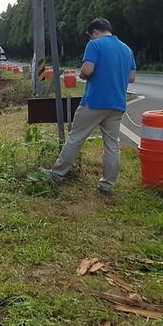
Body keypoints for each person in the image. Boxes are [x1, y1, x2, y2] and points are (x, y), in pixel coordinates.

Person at [42, 18, 136, 195]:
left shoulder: (95, 45)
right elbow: (131, 78)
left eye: (90, 36)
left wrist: (83, 75)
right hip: (117, 104)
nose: (90, 40)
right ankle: (107, 186)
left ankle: (57, 175)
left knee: (76, 138)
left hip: (94, 102)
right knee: (112, 145)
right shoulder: (126, 49)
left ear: (95, 32)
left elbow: (87, 71)